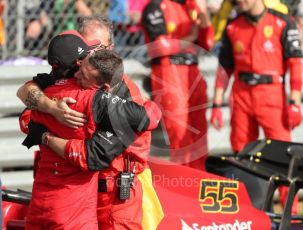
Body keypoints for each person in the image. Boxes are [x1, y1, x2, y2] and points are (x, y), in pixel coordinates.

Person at [18, 15, 164, 229]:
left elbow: (94, 155)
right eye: (87, 48)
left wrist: (45, 136)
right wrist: (51, 109)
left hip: (114, 197)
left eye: (100, 48)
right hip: (77, 193)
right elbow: (26, 112)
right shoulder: (69, 80)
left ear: (111, 48)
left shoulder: (121, 90)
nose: (92, 55)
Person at [210, 0, 303, 214]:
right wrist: (216, 103)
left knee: (283, 156)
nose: (237, 2)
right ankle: (249, 211)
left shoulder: (282, 22)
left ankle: (292, 214)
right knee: (242, 154)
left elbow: (295, 63)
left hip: (272, 95)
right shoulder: (233, 26)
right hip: (241, 94)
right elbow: (224, 68)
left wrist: (295, 102)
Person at [141, 0, 214, 170]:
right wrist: (190, 38)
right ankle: (185, 187)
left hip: (192, 71)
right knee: (180, 137)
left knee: (199, 136)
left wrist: (204, 16)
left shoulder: (190, 7)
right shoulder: (156, 7)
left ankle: (200, 186)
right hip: (168, 71)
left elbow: (207, 44)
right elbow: (160, 46)